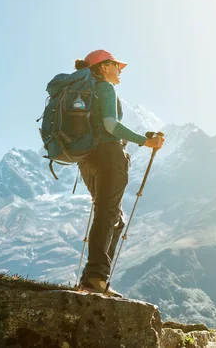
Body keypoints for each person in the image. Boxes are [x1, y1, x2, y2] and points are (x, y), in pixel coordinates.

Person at [74, 49, 164, 297]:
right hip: (109, 156)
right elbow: (111, 126)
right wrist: (143, 141)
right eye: (117, 65)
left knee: (113, 216)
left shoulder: (84, 91)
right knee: (108, 214)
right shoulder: (104, 88)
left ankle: (92, 278)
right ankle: (95, 277)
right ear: (103, 67)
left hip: (87, 160)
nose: (120, 70)